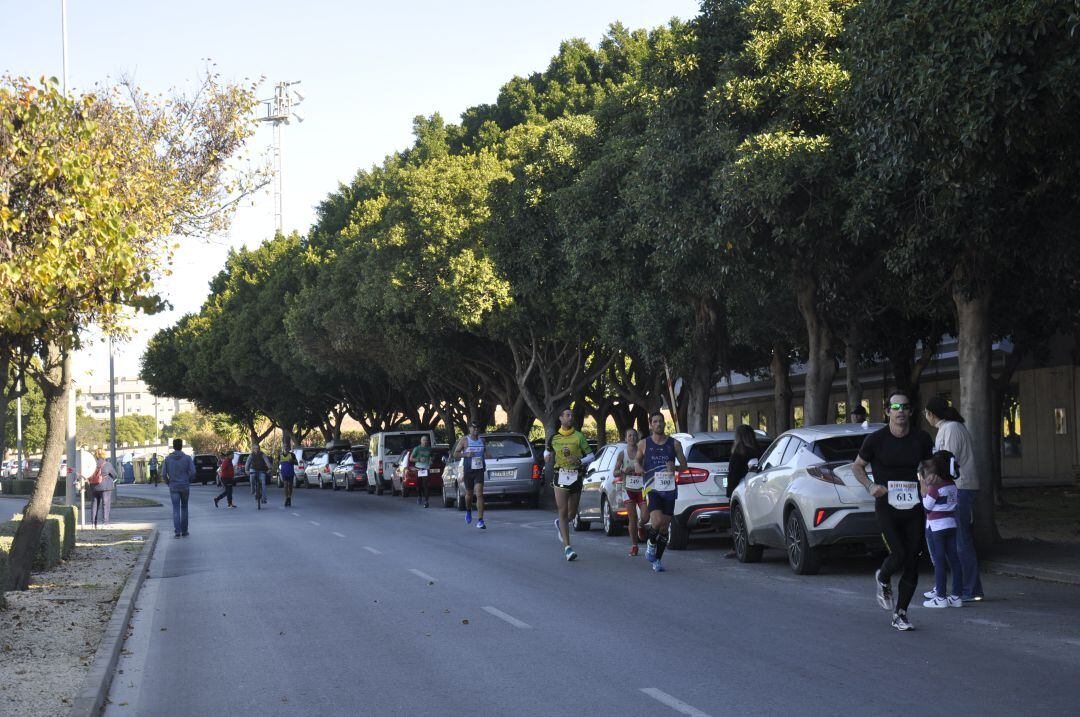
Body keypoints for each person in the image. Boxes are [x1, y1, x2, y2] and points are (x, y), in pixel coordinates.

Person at [852, 391, 934, 631]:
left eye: (905, 407)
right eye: (895, 407)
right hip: (887, 506)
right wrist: (869, 486)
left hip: (914, 507)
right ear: (887, 411)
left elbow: (927, 466)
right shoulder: (876, 440)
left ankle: (901, 613)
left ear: (910, 411)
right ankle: (883, 576)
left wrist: (926, 480)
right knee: (898, 554)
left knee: (912, 560)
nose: (900, 411)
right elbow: (857, 466)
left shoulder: (922, 438)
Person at [923, 396, 984, 602]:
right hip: (955, 488)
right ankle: (956, 588)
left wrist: (933, 479)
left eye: (926, 413)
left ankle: (968, 590)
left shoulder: (951, 429)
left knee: (959, 541)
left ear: (931, 413)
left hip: (959, 488)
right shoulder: (947, 428)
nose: (926, 417)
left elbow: (948, 460)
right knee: (949, 540)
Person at [640, 411, 688, 573]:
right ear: (650, 424)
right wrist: (639, 468)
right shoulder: (644, 443)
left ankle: (658, 560)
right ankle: (651, 544)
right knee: (657, 521)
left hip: (668, 488)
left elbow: (684, 465)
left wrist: (674, 468)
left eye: (661, 421)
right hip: (652, 488)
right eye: (655, 421)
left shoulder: (674, 444)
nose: (658, 424)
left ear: (664, 423)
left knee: (664, 527)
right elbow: (637, 461)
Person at [545, 408, 595, 561]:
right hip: (560, 475)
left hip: (576, 476)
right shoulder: (554, 438)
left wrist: (579, 461)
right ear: (560, 418)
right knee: (563, 509)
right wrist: (547, 457)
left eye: (571, 415)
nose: (570, 417)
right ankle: (568, 548)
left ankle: (560, 523)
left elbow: (591, 456)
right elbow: (546, 451)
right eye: (567, 415)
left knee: (572, 514)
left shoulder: (579, 436)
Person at [918, 450, 963, 608]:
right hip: (951, 524)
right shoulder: (952, 484)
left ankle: (941, 597)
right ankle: (956, 596)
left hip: (937, 527)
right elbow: (954, 503)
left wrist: (924, 488)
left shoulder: (935, 485)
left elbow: (927, 506)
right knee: (954, 560)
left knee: (939, 561)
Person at [724, 424, 761, 558]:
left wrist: (730, 492)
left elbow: (733, 473)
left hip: (740, 489)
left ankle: (737, 547)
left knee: (737, 519)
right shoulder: (758, 449)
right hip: (757, 487)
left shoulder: (738, 451)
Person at [613, 428, 645, 556]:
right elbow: (615, 472)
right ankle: (634, 545)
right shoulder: (622, 454)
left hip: (641, 488)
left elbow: (648, 467)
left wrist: (640, 469)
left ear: (637, 438)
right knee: (632, 517)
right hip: (628, 489)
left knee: (645, 516)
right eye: (629, 436)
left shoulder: (642, 452)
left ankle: (641, 526)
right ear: (625, 438)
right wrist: (623, 471)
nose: (632, 438)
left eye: (634, 435)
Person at [453, 423, 487, 529]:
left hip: (479, 470)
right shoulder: (464, 440)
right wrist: (466, 455)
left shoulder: (482, 441)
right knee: (469, 495)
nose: (476, 429)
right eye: (474, 428)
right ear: (470, 429)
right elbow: (455, 454)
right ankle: (468, 510)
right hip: (468, 470)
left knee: (479, 494)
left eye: (477, 427)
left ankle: (480, 520)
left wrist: (490, 455)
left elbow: (485, 452)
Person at [161, 438, 195, 538]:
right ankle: (184, 531)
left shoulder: (167, 459)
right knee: (184, 507)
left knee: (176, 509)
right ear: (181, 446)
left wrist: (168, 483)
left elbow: (163, 474)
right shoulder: (187, 458)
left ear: (173, 446)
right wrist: (189, 480)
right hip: (185, 486)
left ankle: (177, 531)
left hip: (174, 486)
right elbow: (193, 472)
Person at [88, 449, 118, 529]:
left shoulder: (92, 464)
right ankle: (105, 523)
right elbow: (115, 475)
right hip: (106, 487)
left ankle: (93, 524)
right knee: (106, 504)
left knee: (94, 505)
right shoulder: (107, 464)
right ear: (104, 455)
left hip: (94, 487)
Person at [411, 435, 433, 508]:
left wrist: (431, 460)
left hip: (426, 468)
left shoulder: (429, 449)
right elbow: (411, 459)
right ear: (421, 441)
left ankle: (426, 501)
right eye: (423, 440)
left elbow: (432, 456)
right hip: (418, 468)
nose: (425, 441)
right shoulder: (417, 449)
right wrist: (419, 460)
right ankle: (419, 495)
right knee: (419, 485)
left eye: (426, 440)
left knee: (425, 485)